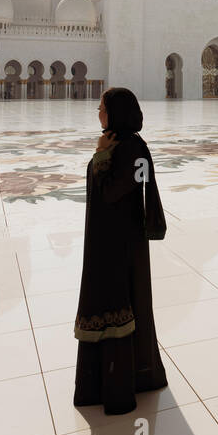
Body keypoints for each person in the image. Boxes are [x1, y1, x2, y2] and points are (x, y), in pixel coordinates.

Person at [73, 86, 168, 414]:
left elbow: (114, 191)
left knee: (124, 298)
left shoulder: (133, 148)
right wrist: (102, 152)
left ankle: (126, 382)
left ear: (117, 111)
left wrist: (101, 155)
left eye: (102, 107)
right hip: (108, 238)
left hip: (123, 242)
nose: (99, 113)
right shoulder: (118, 142)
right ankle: (102, 381)